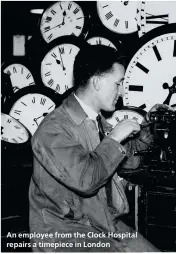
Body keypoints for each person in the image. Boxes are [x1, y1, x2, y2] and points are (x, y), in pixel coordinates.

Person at [29, 45, 168, 252]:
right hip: (63, 233)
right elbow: (87, 180)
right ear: (96, 82)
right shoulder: (52, 130)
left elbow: (128, 160)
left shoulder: (95, 120)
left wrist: (151, 124)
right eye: (118, 83)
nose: (121, 92)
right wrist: (114, 138)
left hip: (101, 223)